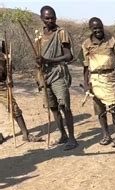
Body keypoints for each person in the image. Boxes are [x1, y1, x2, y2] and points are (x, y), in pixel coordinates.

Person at [36, 5, 77, 150]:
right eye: (47, 18)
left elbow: (68, 56)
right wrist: (40, 61)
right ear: (41, 18)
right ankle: (63, 135)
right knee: (53, 107)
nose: (50, 20)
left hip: (58, 73)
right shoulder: (39, 35)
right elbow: (39, 55)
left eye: (53, 17)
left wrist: (48, 60)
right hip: (44, 75)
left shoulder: (61, 33)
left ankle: (72, 139)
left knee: (64, 106)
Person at [81, 17, 115, 147]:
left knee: (114, 109)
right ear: (91, 29)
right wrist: (85, 83)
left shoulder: (111, 40)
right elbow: (85, 66)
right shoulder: (86, 44)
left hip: (110, 78)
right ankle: (106, 135)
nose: (98, 30)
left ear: (102, 26)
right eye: (95, 28)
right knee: (100, 111)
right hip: (95, 80)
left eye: (100, 27)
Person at [0, 40, 41, 143]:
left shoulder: (2, 43)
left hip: (1, 85)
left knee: (14, 108)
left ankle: (25, 134)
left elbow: (9, 65)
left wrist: (10, 78)